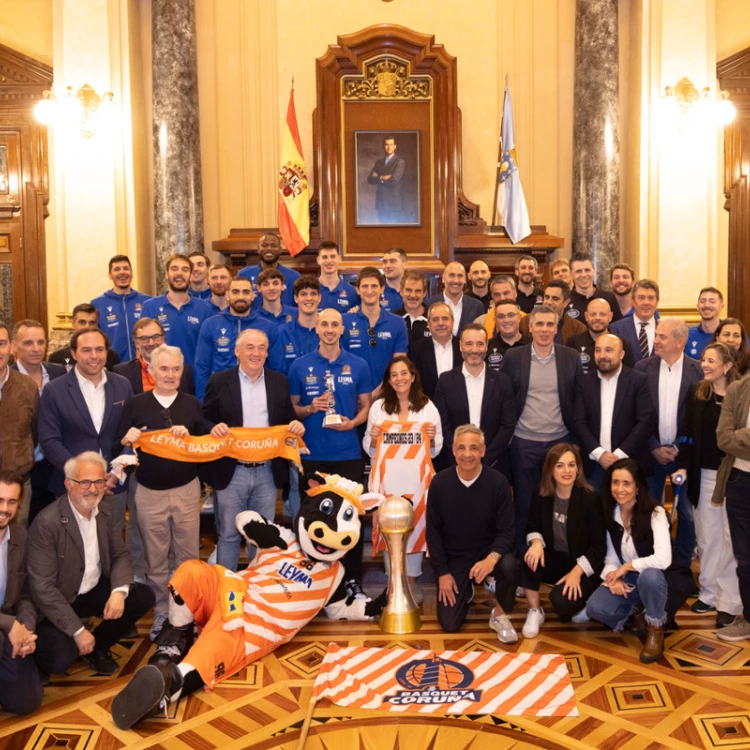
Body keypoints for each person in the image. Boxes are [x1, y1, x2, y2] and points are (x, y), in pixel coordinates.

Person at [28, 452, 154, 677]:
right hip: (59, 599)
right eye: (84, 482)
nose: (93, 489)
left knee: (141, 596)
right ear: (68, 484)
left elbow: (120, 555)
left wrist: (118, 591)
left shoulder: (104, 510)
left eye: (99, 481)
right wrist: (77, 631)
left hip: (89, 590)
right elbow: (42, 589)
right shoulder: (47, 523)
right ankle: (41, 655)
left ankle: (97, 648)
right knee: (60, 660)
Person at [117, 344, 211, 639]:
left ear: (183, 371)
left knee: (188, 556)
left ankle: (188, 611)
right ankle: (161, 612)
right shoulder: (135, 404)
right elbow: (119, 448)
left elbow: (205, 443)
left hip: (186, 490)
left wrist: (193, 436)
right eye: (164, 369)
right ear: (152, 370)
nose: (171, 375)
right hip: (148, 492)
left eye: (176, 369)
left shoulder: (192, 404)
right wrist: (127, 439)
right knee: (155, 558)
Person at [203, 329, 305, 568]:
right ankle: (226, 590)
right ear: (237, 351)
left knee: (263, 536)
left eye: (261, 348)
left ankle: (258, 590)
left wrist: (295, 425)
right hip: (232, 471)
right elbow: (204, 418)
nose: (256, 353)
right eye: (250, 347)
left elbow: (288, 420)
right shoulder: (219, 381)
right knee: (228, 534)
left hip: (267, 472)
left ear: (267, 353)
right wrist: (212, 427)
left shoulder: (279, 381)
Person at [288, 308, 372, 596]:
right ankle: (317, 583)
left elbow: (366, 406)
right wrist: (312, 408)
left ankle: (352, 580)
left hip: (348, 454)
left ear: (342, 329)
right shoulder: (300, 365)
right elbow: (293, 409)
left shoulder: (358, 364)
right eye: (324, 324)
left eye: (335, 324)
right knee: (312, 520)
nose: (329, 329)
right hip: (312, 455)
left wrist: (352, 423)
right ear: (317, 329)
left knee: (351, 520)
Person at [501, 306, 583, 554]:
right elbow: (504, 397)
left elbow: (578, 399)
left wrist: (575, 442)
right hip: (524, 442)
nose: (545, 330)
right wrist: (509, 433)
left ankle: (555, 559)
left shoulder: (570, 357)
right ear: (530, 327)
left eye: (550, 324)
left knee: (558, 504)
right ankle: (524, 562)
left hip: (560, 443)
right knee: (525, 504)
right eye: (540, 324)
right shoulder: (514, 357)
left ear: (557, 329)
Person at [426, 425, 519, 641]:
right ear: (453, 450)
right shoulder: (439, 483)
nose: (468, 454)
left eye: (474, 448)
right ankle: (466, 591)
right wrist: (443, 573)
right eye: (462, 448)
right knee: (449, 624)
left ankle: (499, 613)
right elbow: (433, 533)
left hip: (488, 553)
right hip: (455, 557)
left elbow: (507, 531)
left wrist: (491, 559)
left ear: (483, 450)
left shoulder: (499, 482)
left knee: (510, 564)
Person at [672, 343, 741, 629]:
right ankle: (710, 592)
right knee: (707, 537)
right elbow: (688, 434)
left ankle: (730, 600)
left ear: (727, 365)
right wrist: (683, 466)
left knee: (730, 539)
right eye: (703, 360)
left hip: (735, 475)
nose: (705, 365)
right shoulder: (697, 393)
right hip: (704, 475)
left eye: (711, 360)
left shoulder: (741, 395)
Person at [38, 328, 133, 533]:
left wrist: (116, 473)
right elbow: (49, 441)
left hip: (113, 486)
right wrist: (82, 478)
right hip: (72, 487)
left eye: (99, 349)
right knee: (72, 551)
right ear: (73, 353)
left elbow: (130, 436)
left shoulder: (122, 385)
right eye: (86, 350)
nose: (94, 356)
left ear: (107, 352)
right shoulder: (55, 390)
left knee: (111, 548)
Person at [363, 355, 442, 600]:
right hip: (388, 481)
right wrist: (374, 437)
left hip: (417, 481)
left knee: (416, 525)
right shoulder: (378, 407)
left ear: (413, 376)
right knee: (390, 525)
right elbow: (369, 447)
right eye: (394, 375)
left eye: (404, 373)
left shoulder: (427, 406)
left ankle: (412, 581)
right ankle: (394, 580)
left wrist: (431, 436)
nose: (400, 379)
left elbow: (436, 449)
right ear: (388, 379)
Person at [586, 459, 672, 663]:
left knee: (650, 576)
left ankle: (656, 628)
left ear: (638, 486)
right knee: (595, 607)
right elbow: (611, 557)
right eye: (615, 482)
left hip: (660, 580)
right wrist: (612, 577)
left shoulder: (656, 513)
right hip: (631, 581)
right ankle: (638, 613)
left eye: (626, 483)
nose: (619, 489)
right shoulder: (612, 513)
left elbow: (663, 559)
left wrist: (628, 566)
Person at [635, 318, 702, 566]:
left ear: (680, 341)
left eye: (662, 336)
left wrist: (677, 448)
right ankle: (651, 566)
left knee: (686, 515)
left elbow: (698, 420)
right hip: (650, 455)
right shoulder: (642, 368)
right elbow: (636, 413)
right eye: (657, 336)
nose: (656, 340)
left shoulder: (698, 371)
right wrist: (654, 446)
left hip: (684, 457)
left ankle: (683, 568)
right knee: (649, 514)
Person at [521, 444, 605, 636]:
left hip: (582, 565)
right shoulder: (541, 493)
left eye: (571, 465)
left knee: (561, 604)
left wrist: (576, 572)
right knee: (527, 556)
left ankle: (587, 602)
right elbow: (532, 526)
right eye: (559, 465)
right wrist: (535, 542)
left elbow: (599, 548)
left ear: (578, 468)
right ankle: (535, 610)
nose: (566, 471)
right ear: (551, 469)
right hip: (556, 558)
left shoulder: (590, 498)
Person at [572, 334, 654, 488]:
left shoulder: (639, 381)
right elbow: (578, 422)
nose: (602, 356)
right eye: (598, 350)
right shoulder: (583, 381)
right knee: (595, 511)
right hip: (593, 465)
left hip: (630, 463)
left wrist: (619, 455)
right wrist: (599, 454)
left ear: (621, 354)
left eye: (608, 350)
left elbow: (645, 423)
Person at [433, 324, 515, 478]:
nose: (474, 350)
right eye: (469, 344)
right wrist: (460, 455)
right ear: (460, 346)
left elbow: (507, 425)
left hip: (494, 465)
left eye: (480, 344)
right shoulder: (445, 381)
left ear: (486, 346)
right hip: (453, 464)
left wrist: (484, 457)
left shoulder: (503, 382)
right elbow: (442, 424)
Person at [10, 320, 66, 524]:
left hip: (57, 465)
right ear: (14, 347)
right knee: (22, 526)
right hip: (24, 468)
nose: (36, 348)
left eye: (41, 342)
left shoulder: (59, 372)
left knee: (57, 524)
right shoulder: (7, 378)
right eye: (28, 343)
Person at [193, 276, 283, 401]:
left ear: (253, 296)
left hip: (258, 396)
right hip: (221, 395)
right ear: (227, 295)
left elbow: (277, 368)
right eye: (235, 292)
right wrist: (203, 402)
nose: (241, 297)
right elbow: (202, 368)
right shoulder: (211, 325)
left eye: (246, 292)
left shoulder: (268, 327)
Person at [0, 470, 42, 715]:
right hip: (5, 626)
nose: (4, 508)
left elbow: (26, 594)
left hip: (9, 629)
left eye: (12, 501)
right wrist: (10, 624)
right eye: (0, 499)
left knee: (27, 702)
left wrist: (26, 629)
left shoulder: (20, 536)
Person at [712, 370, 750, 641]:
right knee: (745, 558)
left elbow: (735, 438)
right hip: (740, 482)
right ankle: (749, 620)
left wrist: (743, 434)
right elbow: (723, 439)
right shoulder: (738, 389)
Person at [0, 322, 39, 530]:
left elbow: (33, 431)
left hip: (18, 485)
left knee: (16, 546)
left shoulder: (26, 387)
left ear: (11, 348)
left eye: (1, 343)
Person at [341, 267, 408, 389]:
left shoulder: (398, 323)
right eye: (365, 286)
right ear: (357, 290)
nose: (369, 290)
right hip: (352, 396)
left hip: (388, 395)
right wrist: (362, 397)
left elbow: (399, 366)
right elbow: (339, 363)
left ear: (382, 289)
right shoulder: (343, 322)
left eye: (374, 286)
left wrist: (378, 393)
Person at [140, 254, 212, 366]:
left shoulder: (205, 308)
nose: (179, 273)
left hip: (193, 379)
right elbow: (141, 348)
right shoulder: (150, 307)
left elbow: (209, 350)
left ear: (191, 275)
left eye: (185, 269)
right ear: (166, 274)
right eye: (174, 269)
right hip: (159, 378)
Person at [91, 255, 151, 362]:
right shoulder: (97, 304)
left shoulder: (147, 302)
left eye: (126, 268)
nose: (122, 272)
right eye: (117, 269)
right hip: (112, 367)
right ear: (110, 275)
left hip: (144, 367)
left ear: (132, 273)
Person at [114, 317, 195, 395]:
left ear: (164, 338)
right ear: (136, 343)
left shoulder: (185, 371)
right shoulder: (122, 373)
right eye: (144, 338)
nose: (151, 343)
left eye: (156, 337)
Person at [566, 298, 636, 375]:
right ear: (586, 316)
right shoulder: (573, 342)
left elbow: (629, 375)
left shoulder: (623, 343)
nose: (597, 318)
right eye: (593, 314)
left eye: (602, 314)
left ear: (610, 316)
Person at [407, 301, 460, 398]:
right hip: (427, 407)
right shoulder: (415, 350)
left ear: (452, 322)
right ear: (428, 324)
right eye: (435, 319)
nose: (440, 323)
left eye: (445, 319)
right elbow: (414, 385)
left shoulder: (463, 347)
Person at [48, 303, 121, 372]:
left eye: (92, 323)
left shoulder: (111, 356)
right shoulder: (57, 358)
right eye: (82, 322)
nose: (87, 326)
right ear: (73, 324)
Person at [237, 233, 301, 309]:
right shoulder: (244, 274)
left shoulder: (294, 276)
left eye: (273, 246)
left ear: (280, 250)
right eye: (264, 245)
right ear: (258, 249)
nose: (269, 249)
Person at [425, 262, 484, 337]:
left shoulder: (476, 306)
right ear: (443, 278)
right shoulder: (428, 304)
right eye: (451, 275)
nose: (456, 280)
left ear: (465, 280)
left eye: (460, 276)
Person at [278, 276, 321, 375]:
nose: (309, 298)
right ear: (296, 298)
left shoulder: (329, 332)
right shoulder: (282, 333)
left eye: (313, 294)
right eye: (303, 294)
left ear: (319, 298)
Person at [520, 280, 587, 345]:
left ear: (566, 302)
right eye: (547, 297)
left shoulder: (577, 329)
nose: (549, 302)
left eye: (555, 298)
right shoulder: (525, 322)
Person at [610, 279, 661, 363]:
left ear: (657, 302)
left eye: (651, 298)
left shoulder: (666, 330)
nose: (646, 302)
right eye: (641, 298)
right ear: (633, 301)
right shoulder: (616, 329)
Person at [567, 254, 622, 322]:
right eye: (578, 271)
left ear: (594, 271)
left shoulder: (609, 298)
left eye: (587, 270)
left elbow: (618, 328)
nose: (583, 275)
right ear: (571, 274)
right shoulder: (565, 300)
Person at [367, 137, 406, 223]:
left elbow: (394, 179)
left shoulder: (399, 162)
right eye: (387, 144)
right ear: (384, 146)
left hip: (393, 202)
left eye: (391, 144)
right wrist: (382, 177)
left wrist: (378, 177)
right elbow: (370, 179)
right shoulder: (379, 162)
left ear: (395, 146)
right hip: (381, 202)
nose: (389, 147)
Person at [486, 300, 529, 372]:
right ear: (495, 320)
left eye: (511, 315)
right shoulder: (486, 347)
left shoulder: (533, 346)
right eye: (501, 316)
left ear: (519, 318)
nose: (506, 320)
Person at [316, 241, 358, 313]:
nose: (329, 261)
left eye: (333, 256)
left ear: (339, 259)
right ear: (318, 260)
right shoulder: (310, 290)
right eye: (324, 257)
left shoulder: (352, 291)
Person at [685, 287, 726, 360]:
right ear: (697, 306)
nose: (707, 305)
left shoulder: (731, 335)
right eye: (703, 301)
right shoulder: (686, 335)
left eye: (712, 301)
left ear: (721, 306)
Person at [393, 269, 429, 341]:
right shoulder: (391, 319)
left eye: (418, 291)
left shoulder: (435, 318)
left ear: (424, 293)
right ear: (401, 291)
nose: (413, 295)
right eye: (408, 290)